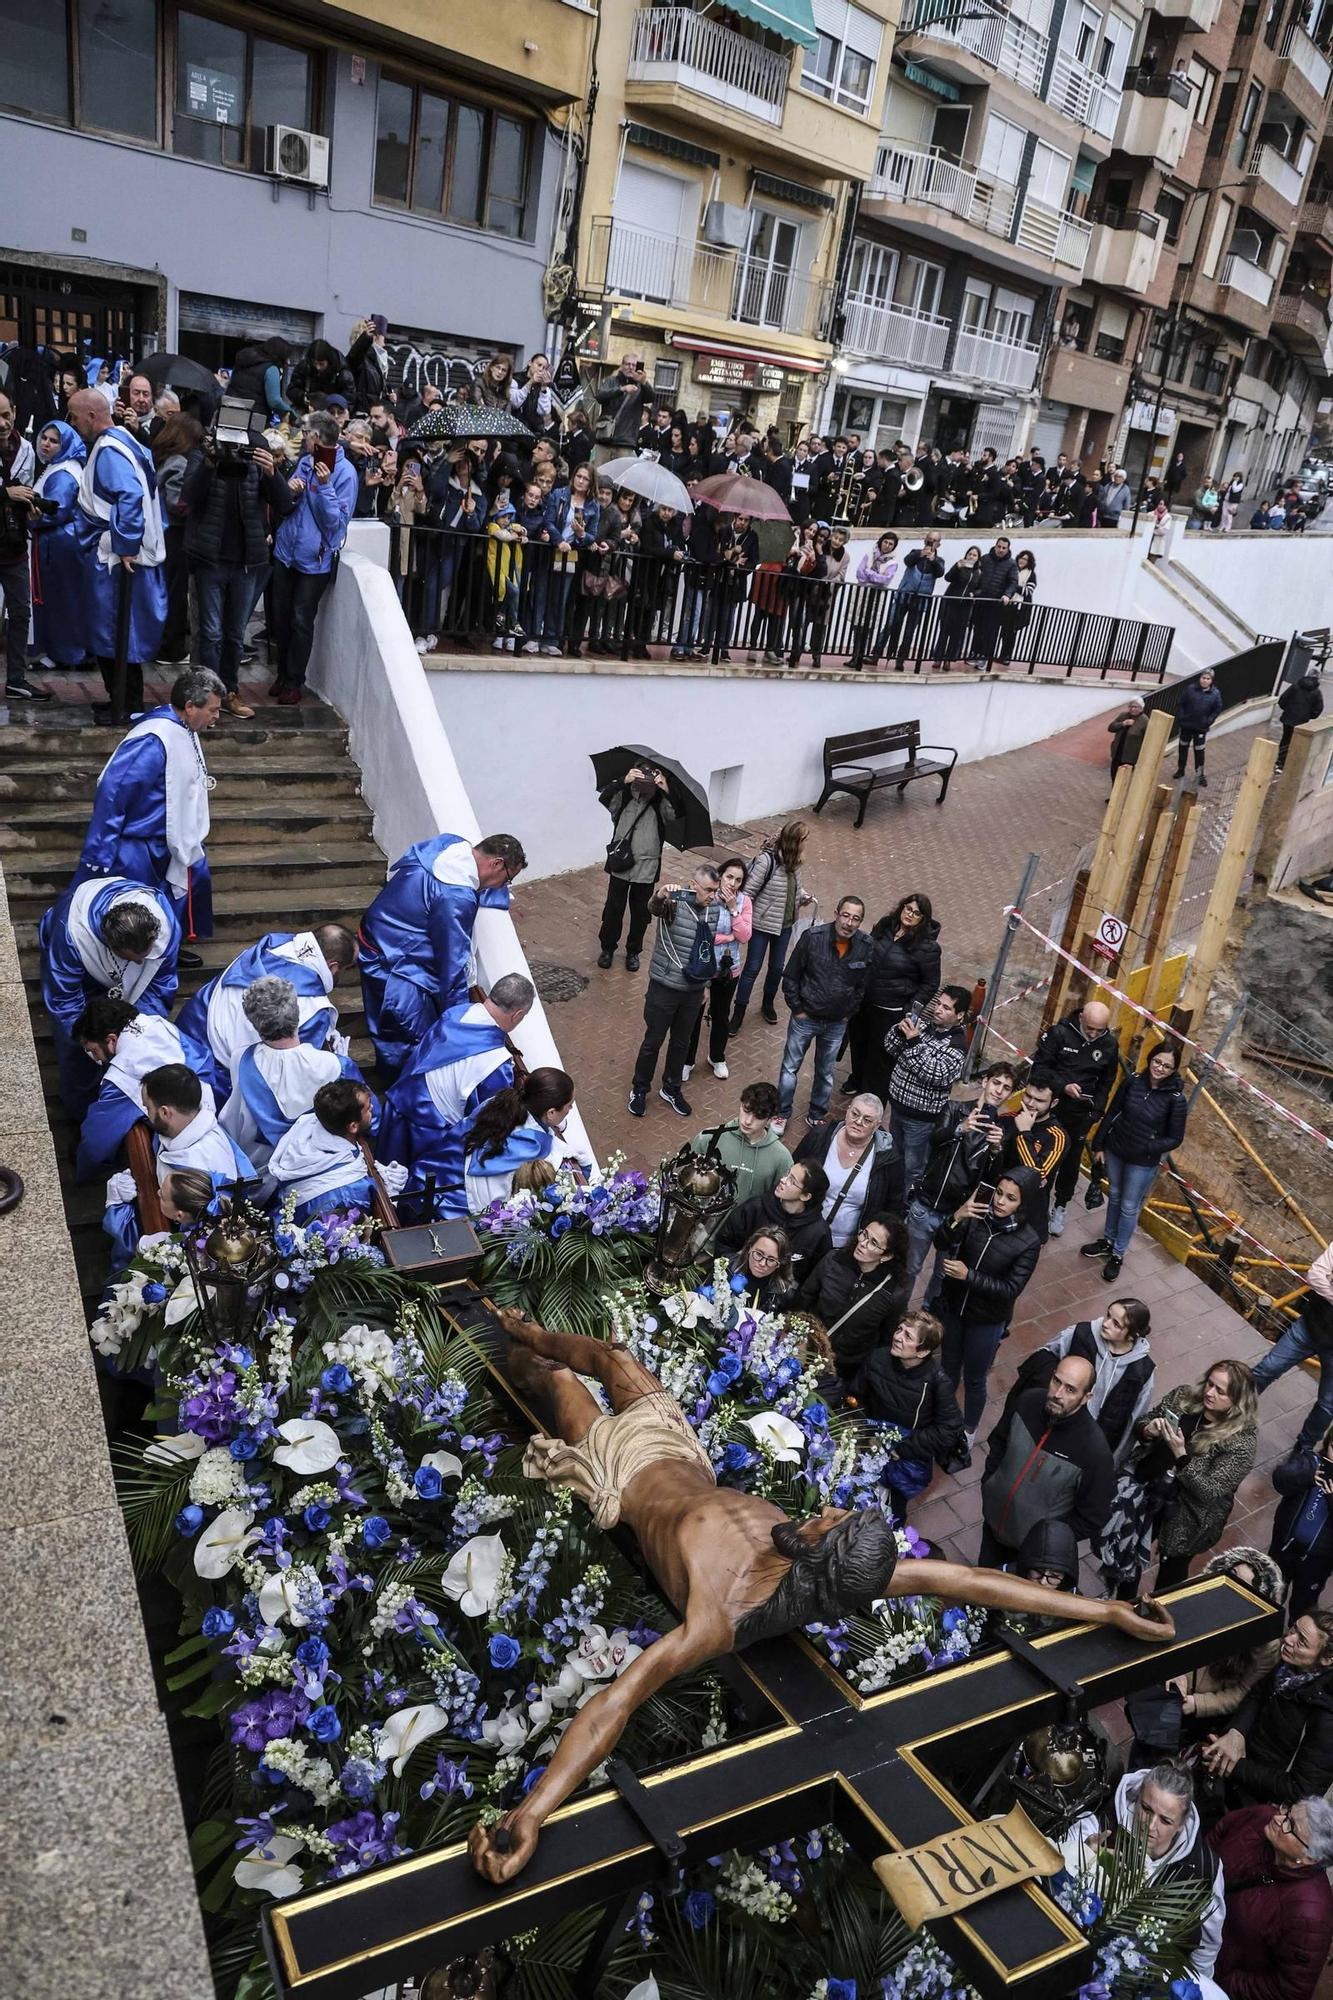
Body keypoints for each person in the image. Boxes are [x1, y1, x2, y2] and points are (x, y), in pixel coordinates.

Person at [468, 1307, 1173, 1884]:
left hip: (620, 1472)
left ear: (817, 1553)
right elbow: (970, 1581)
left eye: (830, 1521)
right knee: (612, 1358)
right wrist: (1107, 1608)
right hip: (677, 1451)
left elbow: (614, 1703)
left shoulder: (719, 1615)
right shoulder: (845, 1570)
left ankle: (522, 1349)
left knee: (556, 1380)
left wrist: (530, 1813)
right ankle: (528, 1328)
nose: (827, 1509)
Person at [74, 667, 224, 956]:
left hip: (166, 840)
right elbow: (114, 792)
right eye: (213, 710)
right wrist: (100, 851)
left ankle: (165, 951)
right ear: (190, 707)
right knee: (133, 913)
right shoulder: (154, 739)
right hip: (139, 844)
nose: (216, 717)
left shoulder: (184, 729)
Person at [358, 832, 526, 1079]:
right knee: (407, 1037)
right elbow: (453, 964)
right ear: (497, 863)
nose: (502, 886)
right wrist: (460, 1024)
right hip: (393, 965)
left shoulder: (449, 845)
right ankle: (399, 1088)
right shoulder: (456, 897)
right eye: (506, 879)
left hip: (380, 936)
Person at [378, 974, 536, 1217]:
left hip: (400, 1103)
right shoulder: (497, 1065)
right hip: (428, 1132)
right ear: (517, 1015)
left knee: (385, 1181)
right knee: (410, 1194)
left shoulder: (457, 1013)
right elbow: (484, 1120)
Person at [1098, 1361, 1258, 1598]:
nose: (1209, 1393)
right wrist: (1148, 1430)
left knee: (1171, 1572)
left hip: (1186, 1515)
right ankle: (1124, 1602)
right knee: (1128, 1552)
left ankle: (1161, 1613)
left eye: (1220, 1391)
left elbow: (1209, 1491)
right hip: (1147, 1489)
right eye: (1210, 1384)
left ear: (1237, 1401)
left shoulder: (1241, 1442)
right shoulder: (1183, 1397)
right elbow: (1144, 1422)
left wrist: (1181, 1456)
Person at [1058, 1765, 1225, 1989]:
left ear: (1181, 1825)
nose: (1150, 1826)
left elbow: (1206, 1948)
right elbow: (1053, 1872)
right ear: (1136, 1798)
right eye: (1146, 1809)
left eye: (1165, 1821)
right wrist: (1084, 1852)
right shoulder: (1102, 1823)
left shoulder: (1204, 1869)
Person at [66, 387, 168, 719]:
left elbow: (130, 495)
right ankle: (120, 699)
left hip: (112, 557)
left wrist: (125, 544)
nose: (72, 421)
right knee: (116, 632)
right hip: (113, 552)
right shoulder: (124, 439)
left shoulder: (110, 449)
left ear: (92, 416)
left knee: (116, 631)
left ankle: (126, 705)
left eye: (74, 415)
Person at [40, 876, 180, 1115]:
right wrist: (91, 1041)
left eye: (144, 956)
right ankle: (81, 1112)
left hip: (115, 979)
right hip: (81, 977)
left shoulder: (166, 927)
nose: (139, 962)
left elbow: (160, 984)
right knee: (80, 1053)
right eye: (132, 957)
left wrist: (132, 1034)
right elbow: (64, 1000)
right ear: (109, 944)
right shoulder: (71, 935)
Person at [183, 428, 294, 715]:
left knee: (234, 634)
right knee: (210, 634)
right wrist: (210, 463)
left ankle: (229, 691)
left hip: (247, 562)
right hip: (211, 560)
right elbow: (188, 496)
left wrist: (271, 473)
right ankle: (207, 697)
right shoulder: (205, 452)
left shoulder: (257, 455)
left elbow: (284, 504)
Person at [177, 925, 356, 1090]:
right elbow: (297, 1073)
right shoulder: (314, 1010)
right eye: (347, 968)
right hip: (219, 1080)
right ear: (333, 967)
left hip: (189, 1036)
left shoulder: (267, 947)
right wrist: (338, 1064)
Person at [978, 1351, 1114, 1566]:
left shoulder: (1093, 1450)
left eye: (1070, 1389)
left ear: (1086, 1397)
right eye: (1056, 1381)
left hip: (1030, 1554)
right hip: (992, 1523)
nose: (1058, 1393)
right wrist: (990, 1483)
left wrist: (1047, 1540)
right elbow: (999, 1441)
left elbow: (1093, 1516)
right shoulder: (1027, 1401)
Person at [218, 976, 366, 1173]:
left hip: (259, 1171)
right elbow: (368, 1116)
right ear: (298, 1013)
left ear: (255, 1024)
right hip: (318, 1167)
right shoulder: (336, 1065)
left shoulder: (241, 1059)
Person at [935, 1169, 1042, 1438]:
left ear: (1023, 1203)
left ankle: (968, 1430)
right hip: (954, 1308)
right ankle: (939, 1415)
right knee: (947, 1367)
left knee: (974, 1378)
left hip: (986, 1320)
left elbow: (1010, 1289)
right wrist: (958, 1216)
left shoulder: (1028, 1242)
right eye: (999, 1192)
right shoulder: (976, 1216)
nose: (1000, 1202)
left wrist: (967, 1276)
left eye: (1010, 1198)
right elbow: (941, 1241)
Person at [73, 996, 220, 1182]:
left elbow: (97, 1142)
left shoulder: (121, 1078)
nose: (97, 1060)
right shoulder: (158, 1024)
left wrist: (82, 1170)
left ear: (111, 1039)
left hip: (178, 1152)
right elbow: (203, 1060)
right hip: (210, 1115)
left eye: (93, 1051)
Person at [267, 410, 358, 702]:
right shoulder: (305, 462)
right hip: (286, 553)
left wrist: (324, 486)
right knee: (279, 618)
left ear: (317, 437)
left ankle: (295, 680)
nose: (303, 438)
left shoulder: (345, 474)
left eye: (306, 433)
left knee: (301, 619)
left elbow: (334, 524)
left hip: (315, 561)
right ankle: (282, 673)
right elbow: (287, 505)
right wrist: (291, 490)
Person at [1202, 1610, 1333, 1810]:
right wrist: (1236, 1733)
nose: (1288, 1639)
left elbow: (1300, 1790)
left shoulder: (1326, 1716)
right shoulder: (1290, 1667)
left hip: (1258, 1804)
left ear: (1326, 1659)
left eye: (1302, 1642)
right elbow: (1258, 1694)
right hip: (1234, 1772)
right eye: (1293, 1628)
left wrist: (1236, 1766)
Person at [1209, 1795, 1333, 2000]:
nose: (1278, 1818)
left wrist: (1224, 1979)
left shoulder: (1310, 1916)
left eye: (1289, 1825)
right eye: (1287, 1811)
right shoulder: (1262, 1817)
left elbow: (1289, 1990)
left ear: (1309, 1857)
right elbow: (1222, 1829)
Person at [904, 1060, 1014, 1291]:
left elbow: (991, 1182)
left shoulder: (1000, 1130)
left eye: (1006, 1088)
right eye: (996, 1083)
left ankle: (928, 1319)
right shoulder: (955, 1108)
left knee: (943, 1276)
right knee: (909, 1268)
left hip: (957, 1215)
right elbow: (934, 1140)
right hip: (927, 1204)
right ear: (985, 1081)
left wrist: (996, 1151)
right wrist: (960, 1128)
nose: (999, 1090)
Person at [1006, 1301, 1155, 1467]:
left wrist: (1112, 1463)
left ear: (1132, 1336)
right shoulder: (1081, 1334)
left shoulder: (1143, 1371)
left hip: (1090, 1444)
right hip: (1056, 1424)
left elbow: (1134, 1419)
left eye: (1116, 1324)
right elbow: (1046, 1355)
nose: (1105, 1324)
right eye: (1108, 1315)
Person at [627, 865, 723, 1121]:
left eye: (716, 890)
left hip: (693, 990)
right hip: (665, 986)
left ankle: (671, 1088)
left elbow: (706, 949)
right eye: (709, 890)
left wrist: (705, 986)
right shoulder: (675, 902)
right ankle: (639, 1089)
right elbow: (654, 909)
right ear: (693, 885)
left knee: (682, 1043)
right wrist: (660, 895)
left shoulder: (714, 909)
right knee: (653, 1041)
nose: (712, 896)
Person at [1084, 1044, 1187, 1279]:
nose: (1160, 1068)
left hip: (1142, 1161)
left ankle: (1118, 1254)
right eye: (1157, 1061)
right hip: (1117, 1149)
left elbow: (1175, 1138)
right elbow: (1112, 1111)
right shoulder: (1134, 1081)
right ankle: (1107, 1241)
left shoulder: (1175, 1099)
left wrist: (1148, 1147)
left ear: (1173, 1070)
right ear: (1150, 1059)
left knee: (1130, 1206)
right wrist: (1099, 1143)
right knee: (1115, 1195)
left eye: (1167, 1066)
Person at [852, 1308, 965, 1515]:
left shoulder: (937, 1383)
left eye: (907, 1336)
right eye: (899, 1330)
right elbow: (856, 1397)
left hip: (901, 1460)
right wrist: (864, 1433)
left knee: (891, 1514)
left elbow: (950, 1428)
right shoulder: (877, 1358)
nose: (897, 1337)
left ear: (922, 1351)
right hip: (868, 1445)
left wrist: (902, 1449)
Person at [774, 896, 871, 1134]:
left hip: (837, 1023)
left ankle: (817, 1114)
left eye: (855, 919)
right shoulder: (812, 938)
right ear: (837, 913)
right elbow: (791, 976)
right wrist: (798, 1009)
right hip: (805, 1019)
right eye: (846, 915)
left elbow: (863, 986)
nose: (849, 923)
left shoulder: (866, 946)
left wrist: (849, 1013)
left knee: (825, 1072)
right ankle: (782, 1113)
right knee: (790, 1068)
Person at [1165, 1548, 1284, 1734]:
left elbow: (1243, 1691)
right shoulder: (1194, 1591)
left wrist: (1199, 1704)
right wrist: (1176, 1674)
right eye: (1231, 1575)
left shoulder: (1266, 1644)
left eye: (1242, 1588)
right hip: (1168, 1689)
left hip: (1201, 1715)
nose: (1230, 1587)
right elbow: (1170, 1634)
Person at [1032, 998, 1118, 1235]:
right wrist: (1063, 1086)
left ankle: (1060, 1206)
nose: (1092, 1034)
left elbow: (1107, 1082)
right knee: (1042, 1157)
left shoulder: (1109, 1045)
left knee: (1070, 1164)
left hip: (1080, 1116)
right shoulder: (1059, 1034)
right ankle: (1035, 1204)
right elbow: (1040, 1068)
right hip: (1051, 1110)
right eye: (1089, 1028)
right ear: (1081, 1017)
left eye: (1098, 1030)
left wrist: (1096, 1112)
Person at [846, 892, 942, 1101]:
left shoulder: (928, 948)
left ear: (923, 919)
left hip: (891, 1009)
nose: (910, 914)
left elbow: (930, 983)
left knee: (880, 1056)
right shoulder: (886, 925)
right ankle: (857, 1079)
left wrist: (910, 1009)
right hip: (864, 1001)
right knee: (858, 1043)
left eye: (916, 913)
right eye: (908, 908)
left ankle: (871, 1097)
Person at [798, 1213, 911, 1387]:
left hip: (843, 1370)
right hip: (806, 1350)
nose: (863, 1243)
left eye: (873, 1243)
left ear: (887, 1256)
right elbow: (805, 1298)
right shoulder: (833, 1260)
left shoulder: (893, 1293)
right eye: (864, 1234)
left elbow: (885, 1339)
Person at [596, 764, 683, 973]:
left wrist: (666, 788)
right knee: (613, 909)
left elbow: (676, 813)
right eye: (641, 773)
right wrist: (621, 781)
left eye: (649, 774)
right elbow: (605, 799)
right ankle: (607, 948)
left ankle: (634, 951)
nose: (645, 779)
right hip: (621, 861)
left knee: (641, 912)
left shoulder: (660, 801)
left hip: (647, 866)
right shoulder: (624, 795)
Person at [461, 1067, 581, 1214]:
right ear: (551, 1113)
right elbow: (568, 1159)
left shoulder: (500, 1102)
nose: (571, 1109)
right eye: (569, 1105)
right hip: (467, 1206)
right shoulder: (533, 1146)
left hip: (450, 1171)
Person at [1250, 1240, 1333, 1452]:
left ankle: (1302, 1450)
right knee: (1267, 1369)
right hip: (1310, 1326)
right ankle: (1230, 1410)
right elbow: (1315, 1275)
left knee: (1327, 1406)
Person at [795, 1095, 904, 1249]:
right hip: (805, 1229)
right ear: (847, 1111)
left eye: (867, 1120)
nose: (858, 1122)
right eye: (855, 1114)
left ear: (877, 1125)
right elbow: (793, 1171)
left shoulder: (888, 1159)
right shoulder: (820, 1136)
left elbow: (893, 1207)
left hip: (846, 1245)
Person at [732, 824, 810, 1033]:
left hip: (784, 926)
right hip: (761, 924)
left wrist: (803, 897)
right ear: (795, 841)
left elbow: (796, 887)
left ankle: (768, 1002)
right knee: (752, 968)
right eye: (803, 839)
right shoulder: (767, 861)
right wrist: (744, 920)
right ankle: (739, 1011)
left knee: (777, 967)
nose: (805, 844)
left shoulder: (795, 863)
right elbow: (748, 893)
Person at [268, 1079, 379, 1223]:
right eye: (368, 1109)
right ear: (353, 1126)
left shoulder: (307, 1125)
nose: (372, 1110)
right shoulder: (350, 1190)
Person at [683, 856, 752, 1080]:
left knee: (722, 1014)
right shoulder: (708, 898)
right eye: (729, 877)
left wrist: (733, 910)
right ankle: (687, 1060)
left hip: (728, 968)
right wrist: (728, 936)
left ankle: (717, 1057)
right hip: (704, 966)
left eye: (738, 880)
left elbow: (744, 936)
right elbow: (703, 933)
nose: (732, 883)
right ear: (720, 876)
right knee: (695, 1014)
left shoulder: (744, 902)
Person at [28, 417, 87, 673]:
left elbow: (56, 510)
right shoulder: (60, 466)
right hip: (59, 545)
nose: (47, 444)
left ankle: (66, 653)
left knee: (62, 602)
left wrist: (26, 517)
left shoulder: (64, 473)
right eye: (45, 438)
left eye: (54, 441)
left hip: (59, 547)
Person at [716, 1160, 833, 1285]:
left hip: (778, 1299)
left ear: (805, 1196)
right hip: (734, 1283)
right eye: (787, 1173)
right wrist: (736, 1271)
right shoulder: (756, 1207)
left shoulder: (818, 1233)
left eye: (791, 1181)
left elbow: (813, 1279)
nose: (783, 1180)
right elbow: (725, 1243)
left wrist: (786, 1294)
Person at [689, 1081, 791, 1207]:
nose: (748, 1121)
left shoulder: (782, 1158)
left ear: (770, 1119)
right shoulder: (709, 1138)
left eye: (758, 1116)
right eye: (746, 1110)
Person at [1270, 1424, 1333, 1618]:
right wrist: (1306, 1476)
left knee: (1303, 1606)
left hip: (1317, 1561)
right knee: (1270, 1593)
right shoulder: (1310, 1461)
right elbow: (1280, 1479)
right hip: (1284, 1546)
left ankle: (1296, 1637)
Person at [968, 538, 1020, 668]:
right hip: (981, 599)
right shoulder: (985, 559)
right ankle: (974, 653)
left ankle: (984, 657)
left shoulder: (1011, 564)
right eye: (999, 547)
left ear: (1008, 549)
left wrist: (1007, 595)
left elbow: (1013, 582)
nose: (1001, 550)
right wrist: (975, 591)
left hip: (996, 603)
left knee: (990, 631)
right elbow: (977, 575)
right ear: (995, 546)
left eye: (1004, 548)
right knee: (978, 628)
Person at [933, 544, 981, 668]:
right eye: (970, 554)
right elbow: (948, 578)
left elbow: (981, 589)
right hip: (950, 602)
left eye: (974, 555)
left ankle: (948, 659)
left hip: (965, 606)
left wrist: (973, 594)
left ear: (978, 558)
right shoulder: (960, 566)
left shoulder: (979, 573)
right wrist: (956, 567)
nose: (971, 556)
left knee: (956, 634)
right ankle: (938, 658)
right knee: (944, 631)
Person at [591, 354, 652, 452]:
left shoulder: (641, 386)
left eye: (634, 365)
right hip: (605, 438)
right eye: (628, 364)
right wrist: (621, 390)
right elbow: (599, 396)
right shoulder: (611, 381)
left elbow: (651, 398)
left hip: (626, 441)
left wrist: (644, 382)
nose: (631, 368)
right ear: (622, 365)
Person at [727, 1226, 796, 1312]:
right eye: (759, 1254)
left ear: (779, 1263)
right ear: (749, 1248)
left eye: (771, 1260)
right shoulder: (727, 1267)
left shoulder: (783, 1293)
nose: (762, 1263)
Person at [1173, 668, 1223, 787]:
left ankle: (1200, 775)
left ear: (1211, 680)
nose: (1205, 681)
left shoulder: (1215, 694)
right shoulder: (1190, 689)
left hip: (1200, 728)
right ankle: (1180, 770)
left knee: (1199, 752)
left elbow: (1217, 709)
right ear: (1200, 678)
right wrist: (1181, 717)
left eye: (1208, 679)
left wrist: (1208, 721)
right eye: (1203, 678)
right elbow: (1181, 703)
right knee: (1183, 748)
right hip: (1186, 725)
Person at [1275, 665, 1324, 773]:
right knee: (1296, 741)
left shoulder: (1295, 686)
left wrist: (1287, 709)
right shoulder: (1316, 692)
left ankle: (1280, 762)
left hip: (1288, 718)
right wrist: (1309, 716)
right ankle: (1290, 762)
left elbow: (1282, 699)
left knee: (1286, 738)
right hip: (1301, 721)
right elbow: (1318, 708)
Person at [1107, 697, 1147, 784]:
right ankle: (1114, 797)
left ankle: (1121, 797)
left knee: (1124, 780)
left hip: (1130, 758)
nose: (1133, 709)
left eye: (1136, 707)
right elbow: (1111, 728)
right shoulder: (1123, 715)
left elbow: (1147, 740)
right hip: (1117, 753)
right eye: (1131, 706)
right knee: (1114, 776)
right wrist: (1122, 724)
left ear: (1141, 708)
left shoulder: (1144, 721)